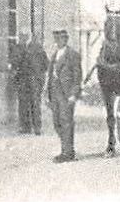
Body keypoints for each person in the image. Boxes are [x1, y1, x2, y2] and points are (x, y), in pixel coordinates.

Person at [46, 28, 82, 162]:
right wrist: (47, 95)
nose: (59, 41)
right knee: (57, 123)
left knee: (66, 122)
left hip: (66, 95)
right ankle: (66, 149)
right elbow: (50, 76)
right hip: (55, 94)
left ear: (66, 39)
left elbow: (78, 77)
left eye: (62, 38)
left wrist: (74, 94)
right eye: (57, 39)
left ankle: (67, 153)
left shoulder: (73, 55)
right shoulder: (55, 55)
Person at [15, 31, 48, 135]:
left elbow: (46, 64)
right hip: (23, 80)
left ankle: (37, 127)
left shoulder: (39, 49)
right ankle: (25, 127)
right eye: (21, 36)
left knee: (35, 103)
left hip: (35, 80)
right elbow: (16, 63)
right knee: (24, 104)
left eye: (24, 36)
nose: (22, 38)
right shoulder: (21, 48)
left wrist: (40, 77)